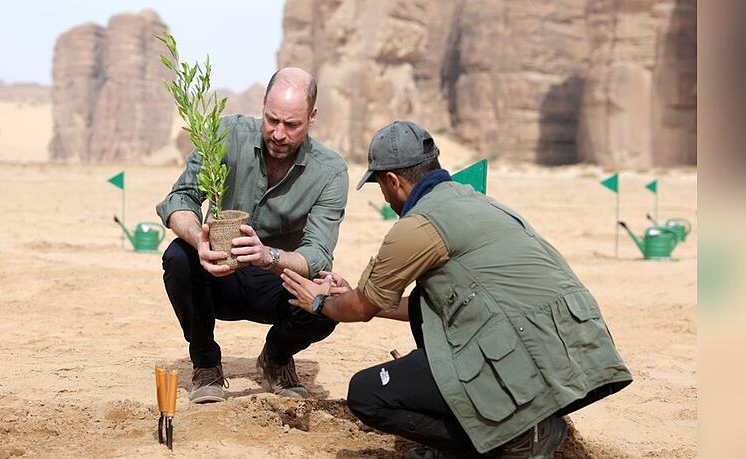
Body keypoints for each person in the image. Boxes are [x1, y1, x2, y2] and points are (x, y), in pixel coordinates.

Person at [281, 120, 632, 458]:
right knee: (430, 313)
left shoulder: (418, 226)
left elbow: (361, 310)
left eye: (381, 187)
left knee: (366, 394)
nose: (386, 198)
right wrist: (357, 295)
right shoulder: (478, 201)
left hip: (531, 359)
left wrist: (322, 302)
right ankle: (526, 425)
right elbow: (421, 304)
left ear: (393, 180)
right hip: (582, 359)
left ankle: (514, 440)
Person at [156, 67, 349, 403]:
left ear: (312, 116)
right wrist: (198, 239)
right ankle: (205, 364)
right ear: (262, 106)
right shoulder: (224, 135)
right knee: (178, 256)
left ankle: (275, 358)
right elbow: (179, 199)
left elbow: (317, 252)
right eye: (271, 120)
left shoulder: (330, 171)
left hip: (277, 282)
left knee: (327, 296)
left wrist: (266, 256)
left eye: (292, 125)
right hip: (218, 275)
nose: (278, 133)